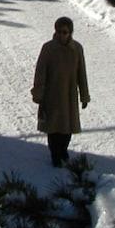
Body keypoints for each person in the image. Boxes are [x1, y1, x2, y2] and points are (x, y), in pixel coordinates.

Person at [30, 15, 89, 167]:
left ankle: (63, 150)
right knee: (53, 127)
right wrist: (38, 93)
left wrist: (84, 96)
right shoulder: (48, 49)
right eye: (60, 32)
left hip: (69, 95)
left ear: (70, 33)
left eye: (65, 32)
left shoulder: (76, 49)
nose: (62, 35)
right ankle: (55, 154)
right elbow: (40, 72)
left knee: (67, 127)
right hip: (52, 95)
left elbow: (81, 74)